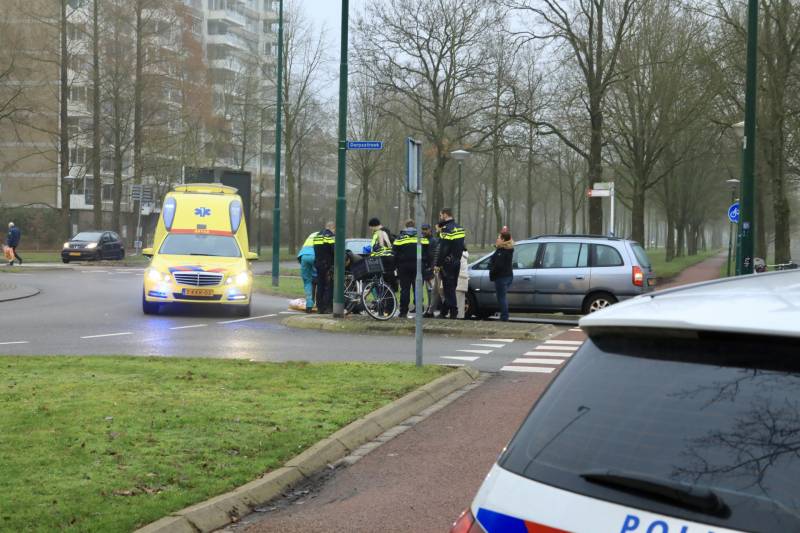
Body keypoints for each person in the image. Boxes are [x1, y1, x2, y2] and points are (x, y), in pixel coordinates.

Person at [392, 219, 429, 318]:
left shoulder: (400, 238)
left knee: (405, 289)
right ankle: (419, 311)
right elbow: (427, 252)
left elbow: (394, 253)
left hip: (404, 267)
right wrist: (426, 264)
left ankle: (403, 311)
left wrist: (395, 266)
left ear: (405, 226)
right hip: (418, 265)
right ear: (414, 226)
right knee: (418, 289)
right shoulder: (422, 237)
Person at [435, 208, 465, 319]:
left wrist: (438, 264)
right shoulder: (460, 228)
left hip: (447, 262)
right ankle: (444, 311)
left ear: (445, 215)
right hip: (457, 261)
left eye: (441, 215)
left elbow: (443, 248)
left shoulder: (446, 229)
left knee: (449, 288)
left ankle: (453, 311)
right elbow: (462, 246)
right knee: (451, 286)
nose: (440, 218)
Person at [490, 229, 514, 321]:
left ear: (503, 240)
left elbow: (498, 265)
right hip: (508, 276)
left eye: (499, 238)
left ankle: (504, 317)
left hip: (501, 277)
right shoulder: (508, 249)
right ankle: (504, 316)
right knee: (502, 297)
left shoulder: (502, 251)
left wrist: (492, 272)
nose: (497, 239)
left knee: (501, 298)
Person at [368, 217, 396, 291]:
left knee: (380, 278)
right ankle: (390, 294)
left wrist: (372, 253)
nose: (371, 229)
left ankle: (386, 297)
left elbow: (377, 247)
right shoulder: (386, 231)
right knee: (388, 278)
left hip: (382, 258)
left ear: (374, 226)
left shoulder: (380, 232)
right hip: (389, 257)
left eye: (371, 227)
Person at [313, 221, 335, 314]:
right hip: (327, 264)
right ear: (333, 228)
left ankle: (320, 307)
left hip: (318, 263)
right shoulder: (330, 236)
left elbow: (315, 248)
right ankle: (327, 307)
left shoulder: (317, 235)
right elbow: (334, 250)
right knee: (329, 286)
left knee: (320, 285)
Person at [297, 230, 318, 313]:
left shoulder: (312, 234)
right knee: (320, 279)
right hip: (314, 256)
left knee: (307, 281)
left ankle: (309, 305)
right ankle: (320, 304)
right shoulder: (324, 235)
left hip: (303, 256)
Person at [456, 248, 470, 319]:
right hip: (463, 280)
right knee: (461, 300)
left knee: (458, 300)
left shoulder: (459, 256)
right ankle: (460, 316)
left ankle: (459, 316)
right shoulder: (465, 255)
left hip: (459, 279)